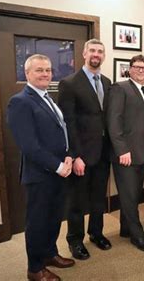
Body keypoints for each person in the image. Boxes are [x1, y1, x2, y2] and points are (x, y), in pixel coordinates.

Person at [7, 54, 75, 281]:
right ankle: (35, 269)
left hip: (59, 172)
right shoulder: (20, 101)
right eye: (39, 70)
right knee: (37, 223)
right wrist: (58, 166)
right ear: (27, 73)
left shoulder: (49, 98)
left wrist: (67, 157)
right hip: (40, 175)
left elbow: (59, 132)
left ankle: (49, 254)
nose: (45, 74)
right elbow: (29, 146)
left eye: (48, 70)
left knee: (54, 217)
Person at [58, 39, 112, 260]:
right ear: (84, 53)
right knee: (77, 200)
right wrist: (75, 155)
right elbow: (67, 123)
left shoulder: (107, 82)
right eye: (92, 51)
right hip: (82, 154)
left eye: (100, 51)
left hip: (103, 152)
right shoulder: (69, 83)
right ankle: (75, 240)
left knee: (99, 197)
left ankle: (96, 233)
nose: (96, 54)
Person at [106, 55, 144, 252]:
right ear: (129, 69)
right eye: (137, 67)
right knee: (130, 196)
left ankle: (125, 229)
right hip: (127, 154)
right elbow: (114, 122)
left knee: (132, 193)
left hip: (143, 151)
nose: (141, 70)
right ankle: (137, 236)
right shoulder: (120, 88)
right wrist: (122, 150)